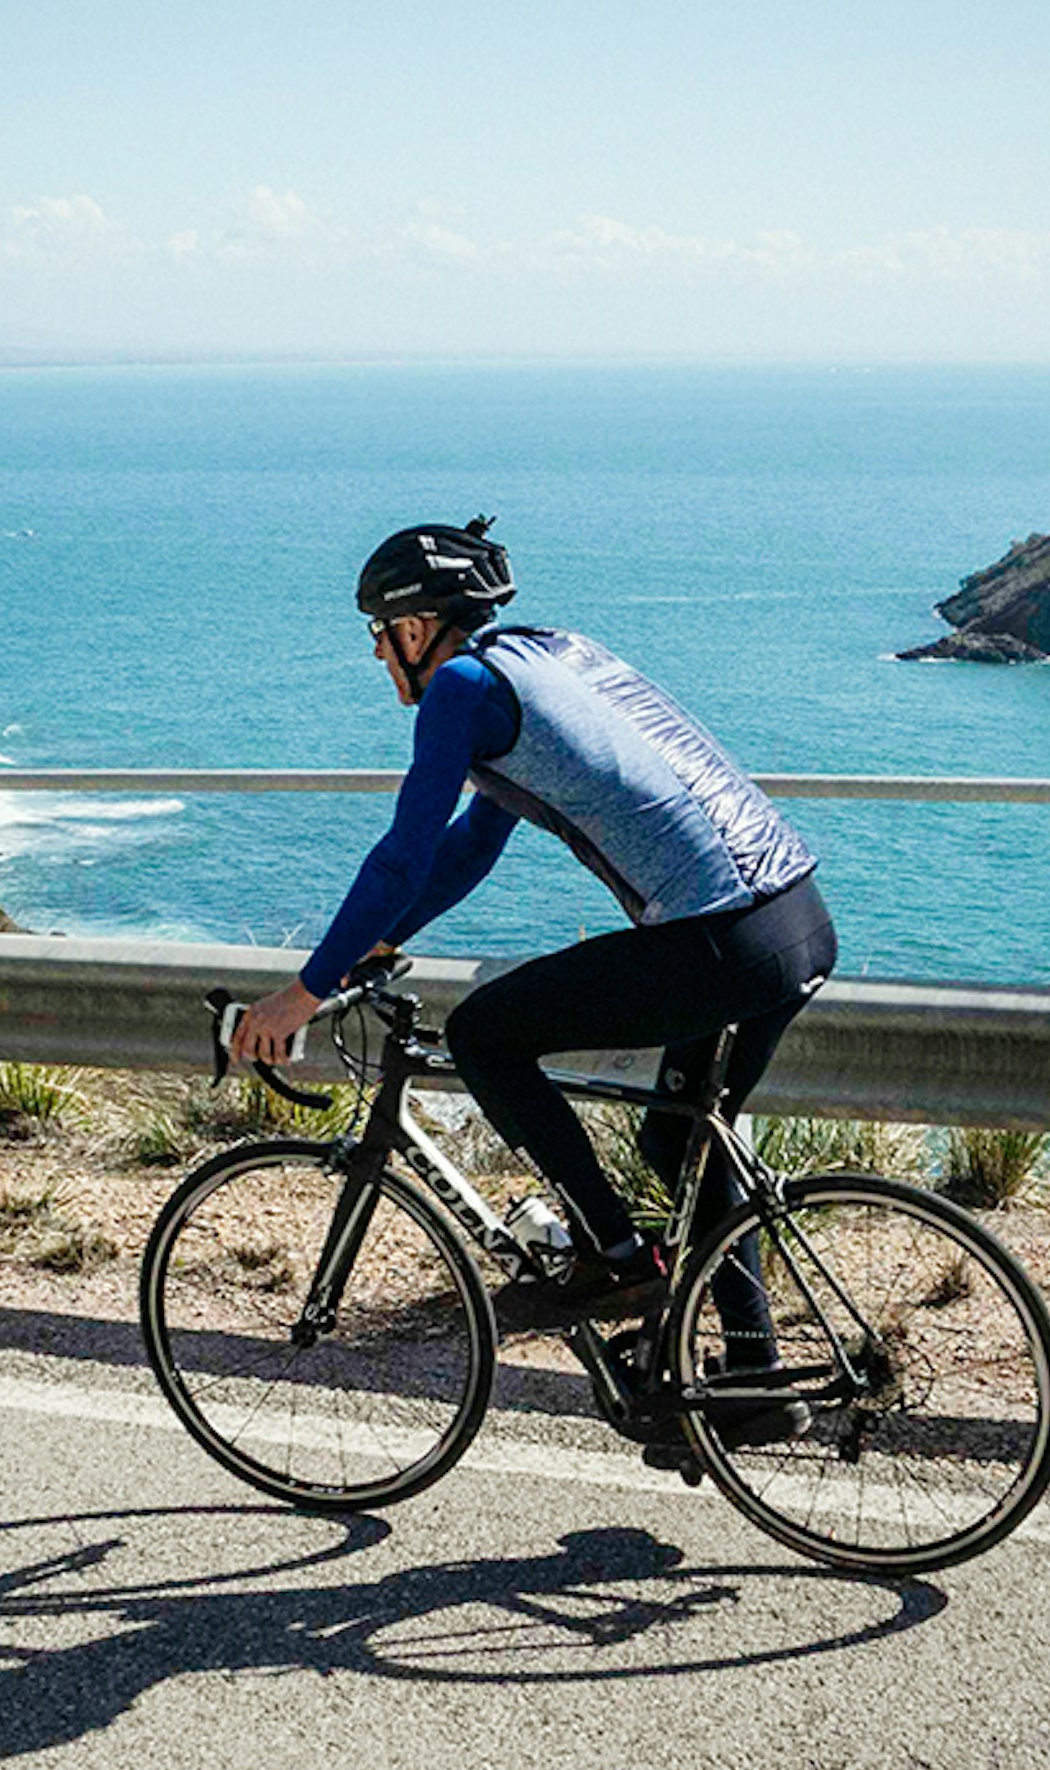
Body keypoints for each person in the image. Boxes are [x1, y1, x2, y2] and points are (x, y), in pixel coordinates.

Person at [226, 515, 837, 1330]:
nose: (378, 653)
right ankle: (756, 1376)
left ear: (416, 626)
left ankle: (613, 1261)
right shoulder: (549, 654)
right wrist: (380, 940)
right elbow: (474, 843)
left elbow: (401, 858)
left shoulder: (459, 692)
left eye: (380, 633)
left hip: (719, 938)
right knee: (681, 1145)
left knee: (485, 1034)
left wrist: (305, 991)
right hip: (795, 917)